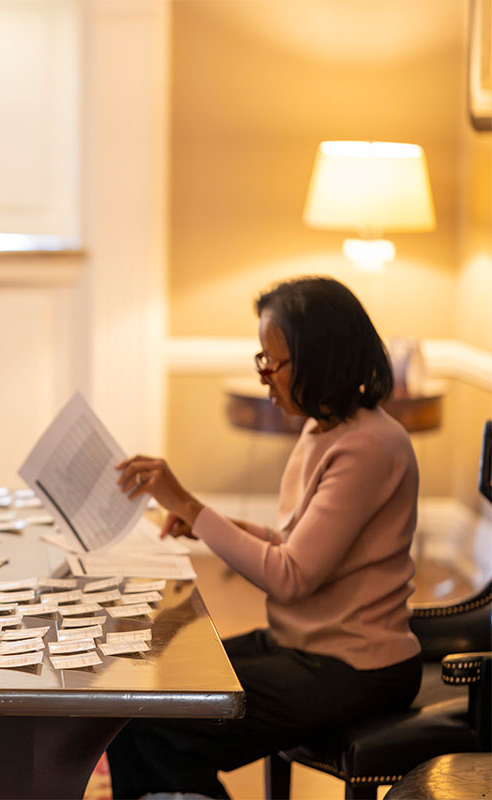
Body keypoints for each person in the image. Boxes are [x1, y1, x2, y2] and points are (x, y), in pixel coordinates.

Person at [107, 276, 423, 799]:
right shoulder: (324, 428)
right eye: (262, 360)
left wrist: (191, 506)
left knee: (162, 722)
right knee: (135, 692)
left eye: (272, 362)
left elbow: (291, 576)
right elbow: (293, 541)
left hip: (356, 667)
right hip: (302, 646)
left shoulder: (370, 446)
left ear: (319, 359)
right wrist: (206, 522)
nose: (263, 376)